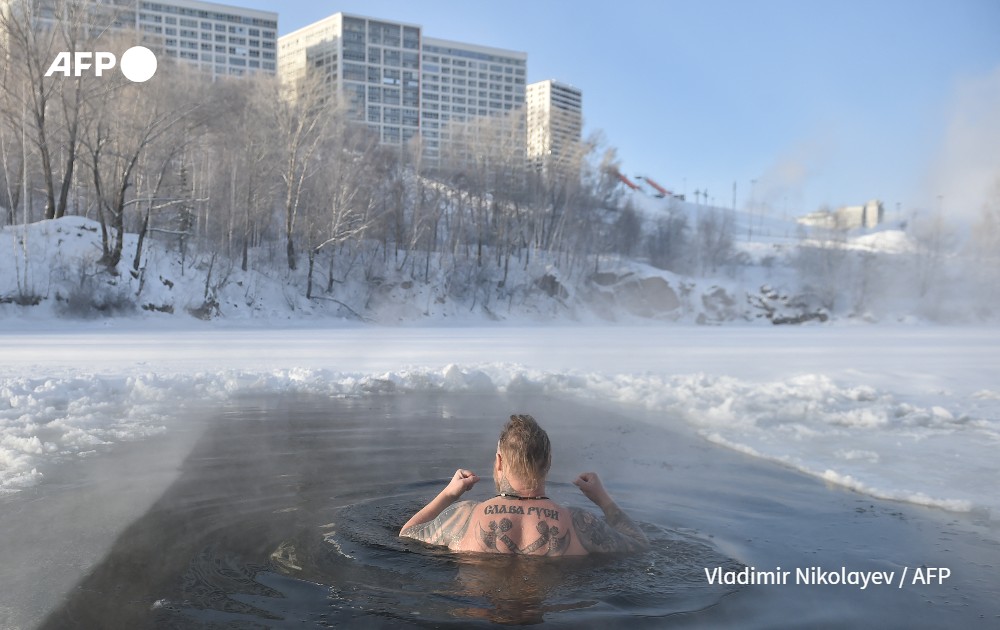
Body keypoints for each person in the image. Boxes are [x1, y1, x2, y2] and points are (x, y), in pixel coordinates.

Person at [399, 414, 649, 556]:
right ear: (548, 463)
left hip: (477, 612)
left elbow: (407, 535)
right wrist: (603, 499)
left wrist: (448, 494)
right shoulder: (579, 524)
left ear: (499, 462)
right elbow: (639, 545)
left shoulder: (464, 515)